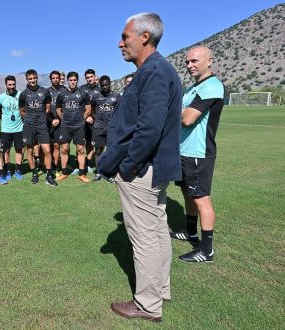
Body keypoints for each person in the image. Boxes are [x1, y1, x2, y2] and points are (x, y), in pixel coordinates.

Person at [96, 13, 182, 322]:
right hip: (153, 168)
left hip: (143, 170)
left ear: (144, 37)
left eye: (125, 36)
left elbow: (149, 128)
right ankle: (159, 291)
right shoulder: (155, 70)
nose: (120, 43)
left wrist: (128, 167)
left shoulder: (155, 71)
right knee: (158, 232)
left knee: (145, 238)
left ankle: (147, 304)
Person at [172, 46, 224, 262]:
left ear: (209, 61)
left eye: (194, 61)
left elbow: (187, 118)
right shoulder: (193, 88)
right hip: (184, 150)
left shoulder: (212, 86)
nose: (189, 65)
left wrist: (176, 114)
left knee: (201, 198)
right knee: (188, 193)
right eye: (187, 62)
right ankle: (190, 232)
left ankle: (206, 249)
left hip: (199, 153)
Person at [18, 69, 57, 186]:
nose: (32, 80)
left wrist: (40, 118)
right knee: (30, 151)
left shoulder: (44, 91)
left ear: (37, 78)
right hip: (29, 126)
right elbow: (22, 111)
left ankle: (49, 176)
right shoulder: (23, 94)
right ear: (27, 80)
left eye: (34, 78)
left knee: (47, 150)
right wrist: (29, 119)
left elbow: (48, 108)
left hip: (42, 125)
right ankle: (34, 174)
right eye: (30, 79)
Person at [55, 71, 92, 183]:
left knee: (80, 149)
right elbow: (58, 109)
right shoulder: (62, 94)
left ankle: (82, 174)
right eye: (70, 80)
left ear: (77, 80)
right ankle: (64, 172)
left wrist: (81, 119)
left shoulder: (83, 93)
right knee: (64, 149)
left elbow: (88, 109)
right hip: (65, 126)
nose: (72, 82)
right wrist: (63, 118)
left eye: (74, 80)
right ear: (67, 81)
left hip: (79, 126)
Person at [90, 75, 121, 181]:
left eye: (106, 85)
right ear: (100, 85)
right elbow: (92, 110)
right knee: (98, 151)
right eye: (102, 85)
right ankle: (98, 172)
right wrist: (97, 119)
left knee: (111, 151)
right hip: (98, 128)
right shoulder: (96, 96)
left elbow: (120, 111)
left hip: (112, 128)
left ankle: (111, 173)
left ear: (110, 84)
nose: (104, 87)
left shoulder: (116, 96)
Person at [0, 75, 23, 180]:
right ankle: (7, 170)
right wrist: (1, 116)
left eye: (13, 84)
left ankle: (18, 170)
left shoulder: (21, 95)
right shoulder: (1, 97)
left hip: (19, 128)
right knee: (6, 151)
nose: (12, 86)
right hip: (6, 129)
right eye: (9, 85)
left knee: (19, 150)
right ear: (6, 85)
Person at [80, 68, 101, 172]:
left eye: (91, 77)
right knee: (80, 144)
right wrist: (86, 117)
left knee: (93, 143)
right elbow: (78, 106)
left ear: (94, 76)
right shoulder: (81, 89)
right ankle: (80, 164)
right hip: (83, 120)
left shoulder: (100, 90)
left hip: (96, 121)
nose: (89, 79)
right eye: (87, 77)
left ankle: (89, 163)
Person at [47, 70, 66, 175]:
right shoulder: (46, 91)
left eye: (57, 78)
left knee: (58, 145)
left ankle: (56, 165)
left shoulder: (64, 90)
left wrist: (59, 119)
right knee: (48, 145)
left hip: (61, 122)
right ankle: (47, 164)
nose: (55, 79)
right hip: (49, 121)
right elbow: (44, 109)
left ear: (60, 79)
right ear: (50, 79)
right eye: (53, 78)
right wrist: (51, 120)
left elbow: (67, 108)